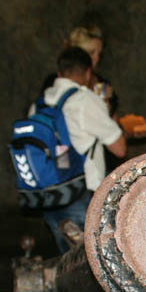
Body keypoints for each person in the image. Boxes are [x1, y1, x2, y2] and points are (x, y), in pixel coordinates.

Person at [36, 47, 127, 254]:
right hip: (79, 194)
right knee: (89, 262)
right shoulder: (85, 100)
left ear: (59, 74)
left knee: (65, 259)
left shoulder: (41, 103)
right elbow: (119, 148)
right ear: (88, 74)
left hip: (48, 194)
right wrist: (106, 109)